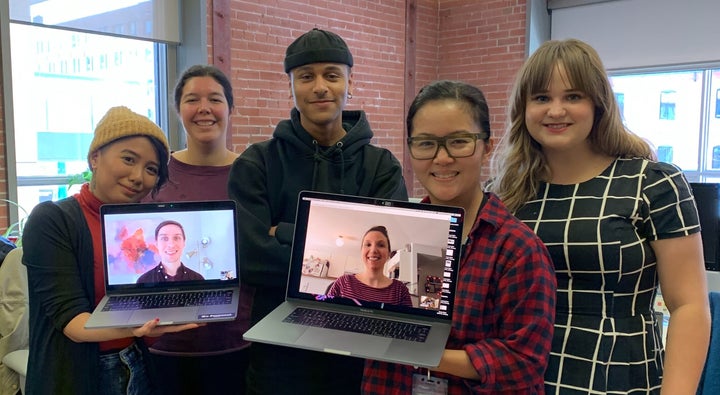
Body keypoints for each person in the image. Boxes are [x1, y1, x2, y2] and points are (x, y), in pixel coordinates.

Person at [489, 38, 711, 394]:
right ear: (523, 108)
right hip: (520, 380)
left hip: (619, 379)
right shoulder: (506, 194)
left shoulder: (652, 183)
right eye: (542, 98)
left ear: (598, 104)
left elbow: (688, 306)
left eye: (573, 96)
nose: (556, 111)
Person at [228, 28, 408, 394]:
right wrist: (348, 251)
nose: (320, 87)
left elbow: (388, 258)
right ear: (290, 85)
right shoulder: (257, 163)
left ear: (349, 81)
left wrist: (283, 232)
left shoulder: (381, 167)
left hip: (362, 348)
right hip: (279, 353)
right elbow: (249, 258)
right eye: (306, 76)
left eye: (331, 74)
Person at [363, 80, 556, 394]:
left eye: (459, 141)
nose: (441, 158)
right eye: (426, 143)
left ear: (486, 147)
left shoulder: (519, 251)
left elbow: (524, 362)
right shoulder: (397, 242)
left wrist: (417, 352)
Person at [21, 106, 201, 395]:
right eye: (128, 159)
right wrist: (138, 326)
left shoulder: (139, 226)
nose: (138, 176)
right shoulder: (53, 220)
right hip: (77, 374)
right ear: (95, 156)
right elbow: (73, 324)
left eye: (151, 169)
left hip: (136, 364)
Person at [141, 64, 253, 395]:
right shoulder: (155, 174)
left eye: (215, 99)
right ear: (178, 110)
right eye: (192, 99)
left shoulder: (253, 173)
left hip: (236, 343)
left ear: (231, 108)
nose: (204, 108)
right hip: (162, 347)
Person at [326, 225, 412, 306]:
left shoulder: (400, 290)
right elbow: (325, 316)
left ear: (388, 253)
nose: (373, 250)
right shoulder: (343, 282)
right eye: (368, 245)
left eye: (381, 245)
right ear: (361, 251)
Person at [136, 220, 204, 283]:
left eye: (176, 238)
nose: (171, 245)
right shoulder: (143, 281)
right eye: (164, 238)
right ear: (156, 244)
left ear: (183, 243)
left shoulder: (198, 279)